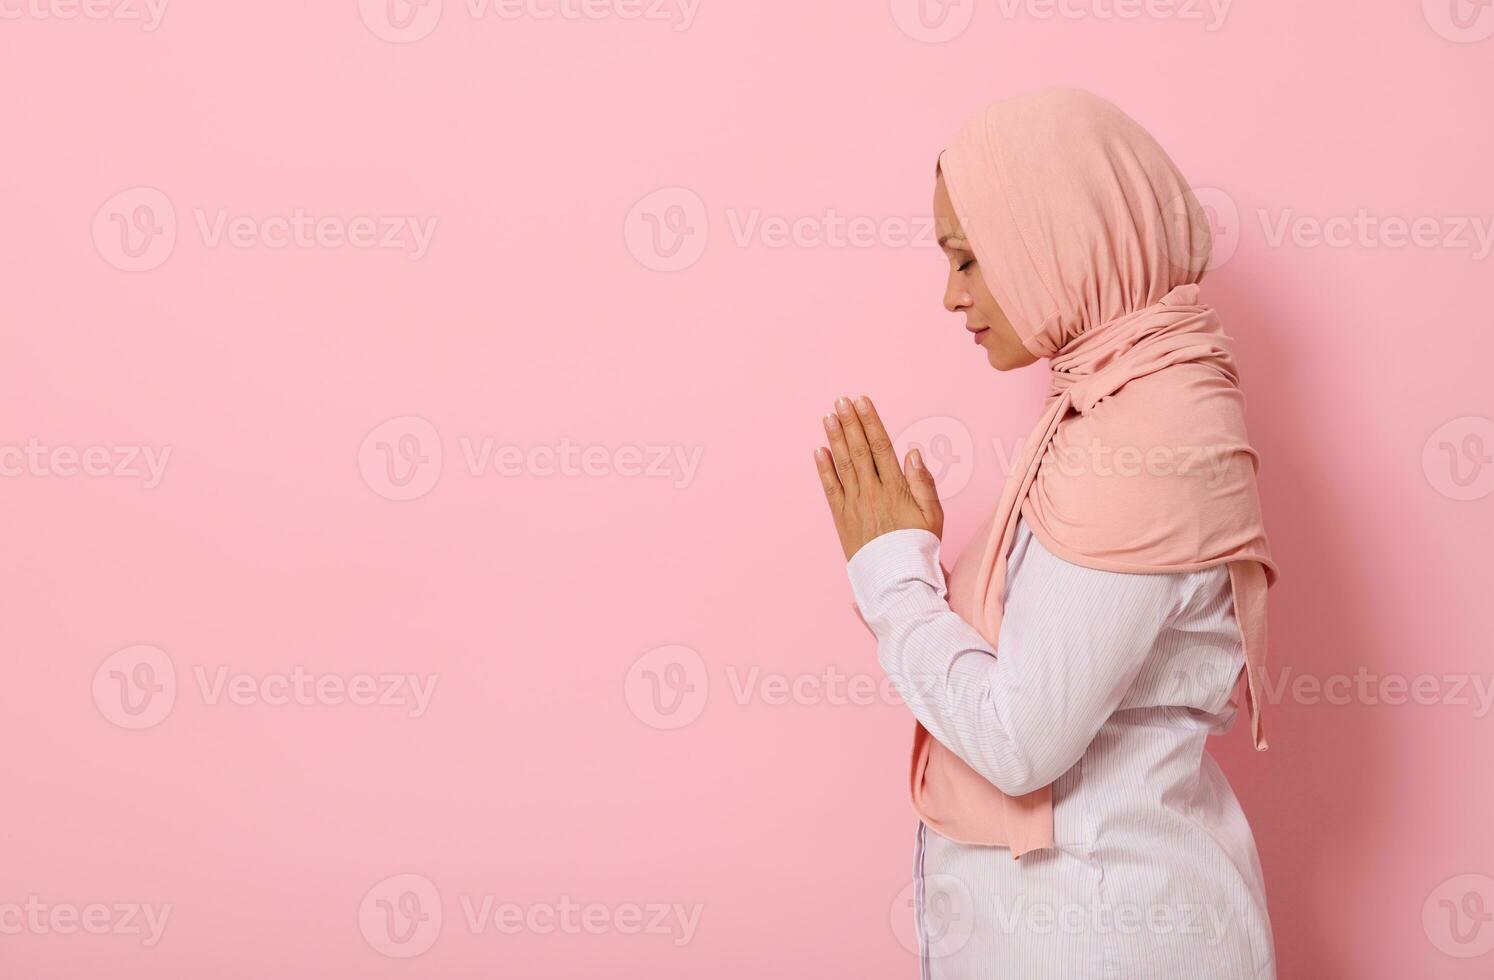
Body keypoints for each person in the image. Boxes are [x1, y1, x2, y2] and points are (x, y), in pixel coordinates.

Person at [812, 88, 1278, 978]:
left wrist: (891, 578)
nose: (950, 296)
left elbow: (1020, 740)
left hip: (1113, 939)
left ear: (1051, 240)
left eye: (967, 258)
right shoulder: (1119, 408)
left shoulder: (1146, 441)